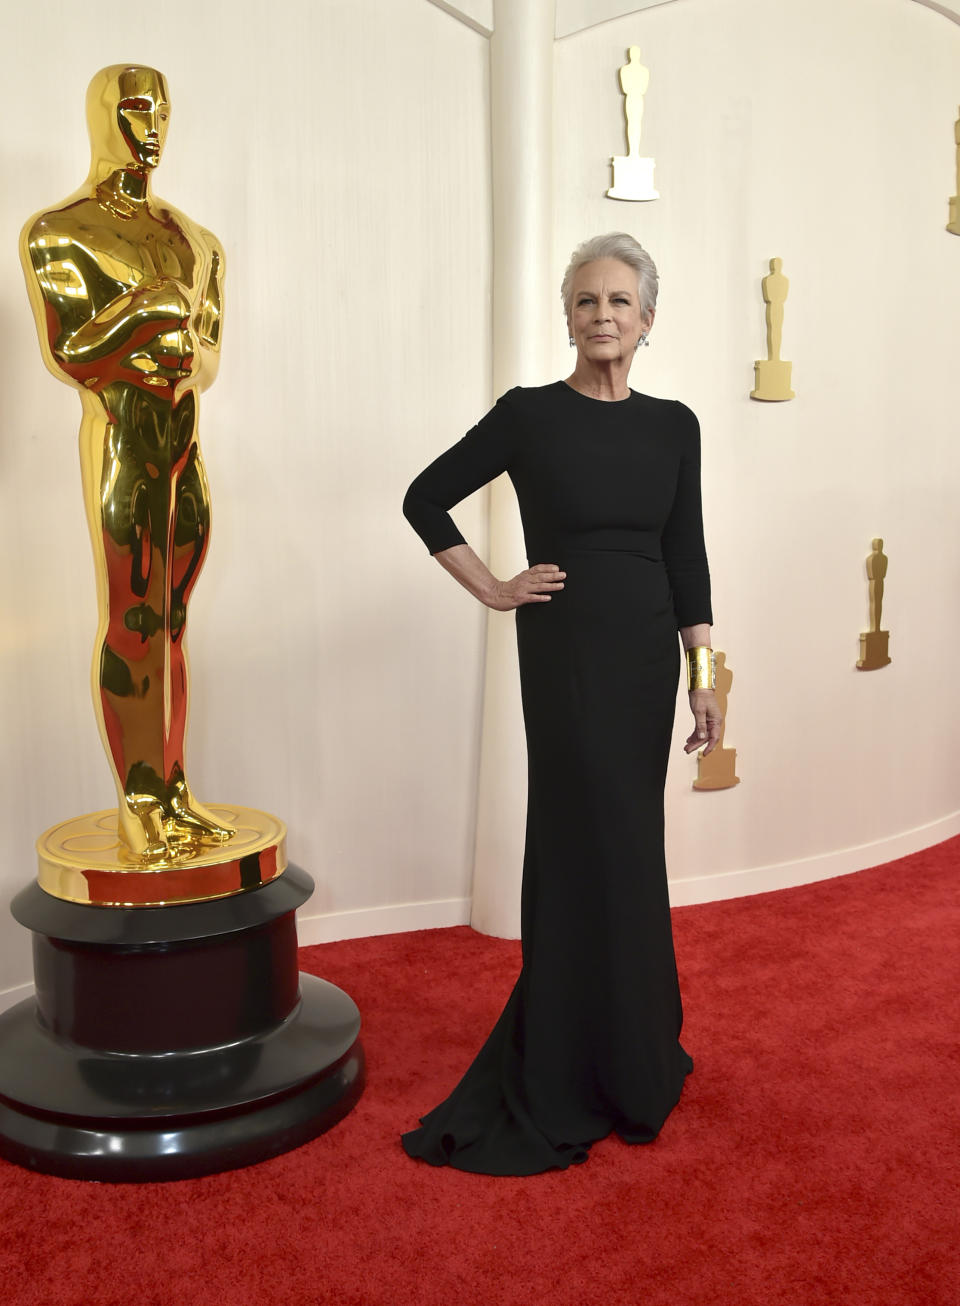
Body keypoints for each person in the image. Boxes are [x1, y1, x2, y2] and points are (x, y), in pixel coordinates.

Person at [401, 232, 721, 1175]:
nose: (602, 317)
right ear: (567, 317)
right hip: (569, 655)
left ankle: (633, 1055)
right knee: (589, 836)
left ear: (648, 320)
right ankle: (573, 1058)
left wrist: (705, 681)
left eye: (620, 302)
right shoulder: (530, 416)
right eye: (586, 301)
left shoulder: (676, 426)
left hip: (648, 662)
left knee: (633, 841)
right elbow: (425, 498)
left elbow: (688, 557)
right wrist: (494, 587)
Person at [20, 64, 233, 860]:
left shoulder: (196, 239)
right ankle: (139, 802)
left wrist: (180, 337)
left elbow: (207, 359)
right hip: (120, 436)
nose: (152, 125)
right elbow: (70, 354)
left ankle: (173, 795)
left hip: (183, 440)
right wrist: (146, 310)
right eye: (135, 107)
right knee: (134, 622)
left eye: (164, 110)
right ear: (102, 114)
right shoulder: (59, 231)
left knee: (174, 620)